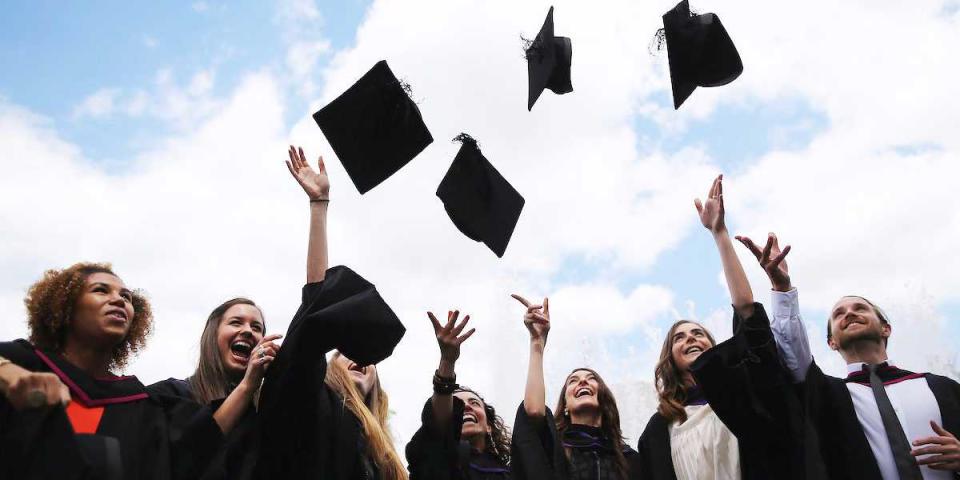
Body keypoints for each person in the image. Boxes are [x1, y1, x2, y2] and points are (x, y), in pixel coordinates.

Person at [734, 231, 960, 479]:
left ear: (886, 328)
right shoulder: (828, 397)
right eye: (839, 314)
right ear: (831, 342)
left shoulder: (943, 388)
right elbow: (793, 358)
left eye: (860, 308)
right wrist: (782, 287)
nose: (850, 313)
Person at [252, 146, 408, 479]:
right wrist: (319, 207)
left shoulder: (383, 448)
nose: (357, 358)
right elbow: (317, 309)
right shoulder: (316, 403)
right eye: (341, 352)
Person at [0, 263, 228, 480]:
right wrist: (9, 373)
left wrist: (249, 383)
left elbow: (202, 439)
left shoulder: (145, 406)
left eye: (126, 297)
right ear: (66, 306)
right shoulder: (24, 362)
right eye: (100, 290)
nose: (118, 300)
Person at [638, 174, 797, 480]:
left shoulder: (742, 394)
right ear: (669, 357)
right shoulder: (659, 429)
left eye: (698, 333)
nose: (691, 338)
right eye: (679, 338)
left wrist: (719, 233)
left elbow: (747, 312)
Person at [510, 294, 643, 479]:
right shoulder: (555, 451)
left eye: (591, 378)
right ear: (564, 405)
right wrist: (537, 344)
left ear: (604, 398)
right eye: (573, 380)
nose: (582, 381)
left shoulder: (631, 460)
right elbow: (533, 411)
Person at [147, 297, 281, 480]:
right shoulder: (167, 395)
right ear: (213, 334)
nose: (248, 331)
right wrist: (248, 385)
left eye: (256, 327)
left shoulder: (262, 415)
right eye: (236, 322)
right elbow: (185, 459)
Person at [406, 310, 512, 479]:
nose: (467, 407)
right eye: (458, 405)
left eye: (475, 403)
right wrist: (447, 361)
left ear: (489, 426)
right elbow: (437, 427)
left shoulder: (512, 474)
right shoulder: (433, 462)